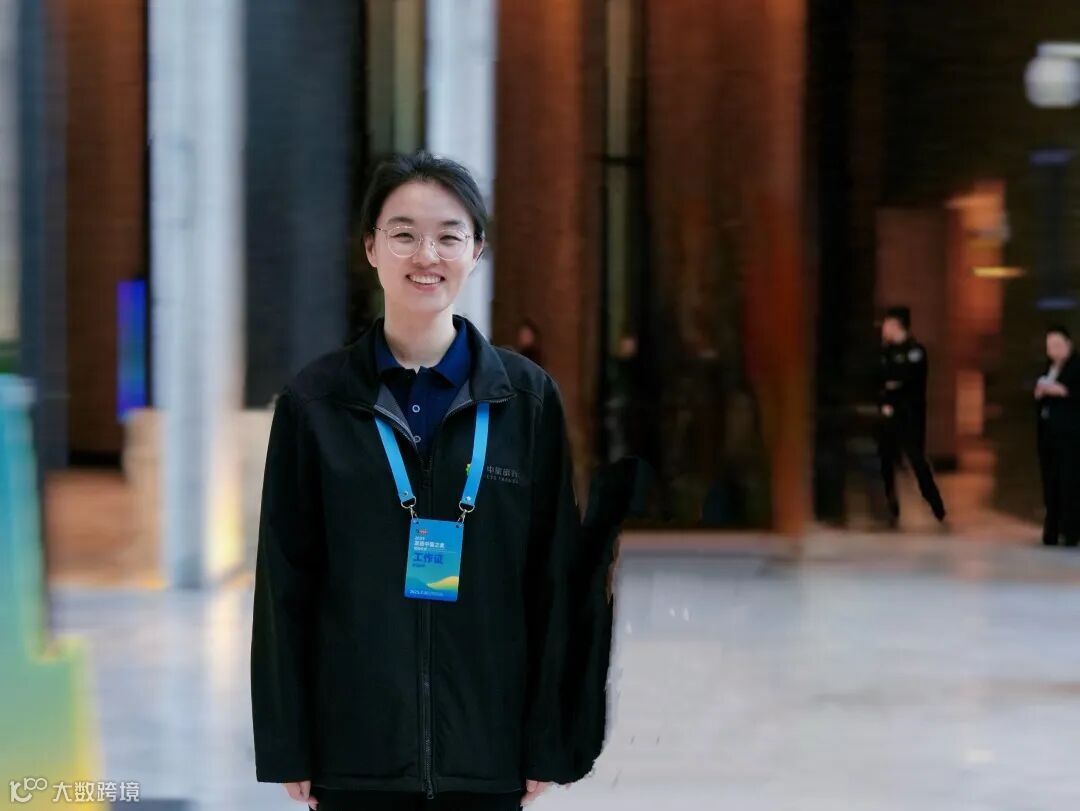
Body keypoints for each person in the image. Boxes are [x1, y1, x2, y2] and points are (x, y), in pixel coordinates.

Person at [251, 151, 592, 811]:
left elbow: (555, 580)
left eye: (448, 236)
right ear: (371, 247)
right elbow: (285, 581)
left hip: (489, 752)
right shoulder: (315, 402)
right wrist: (290, 743)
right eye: (404, 233)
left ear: (476, 249)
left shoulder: (526, 399)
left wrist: (549, 735)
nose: (426, 255)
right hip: (356, 753)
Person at [876, 306, 947, 526]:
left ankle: (937, 507)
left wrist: (893, 386)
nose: (883, 329)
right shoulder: (885, 352)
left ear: (897, 326)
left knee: (917, 462)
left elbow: (907, 380)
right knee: (886, 462)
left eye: (887, 324)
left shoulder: (916, 351)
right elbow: (880, 380)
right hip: (888, 415)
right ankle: (892, 510)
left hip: (910, 416)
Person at [1035, 325, 1080, 547]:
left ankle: (1070, 531)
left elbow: (1072, 394)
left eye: (1057, 345)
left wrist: (1060, 391)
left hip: (1070, 436)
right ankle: (1051, 529)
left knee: (1068, 483)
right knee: (1050, 482)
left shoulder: (1076, 367)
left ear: (1068, 345)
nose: (1052, 350)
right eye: (1049, 346)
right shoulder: (1049, 368)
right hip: (1049, 434)